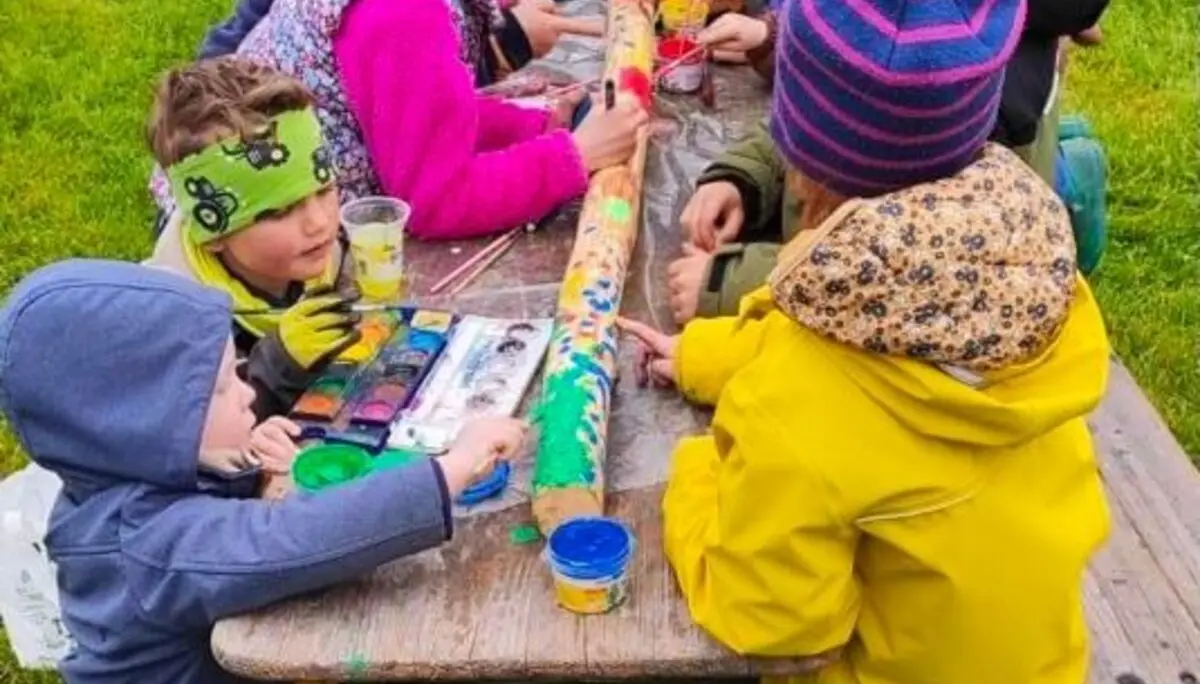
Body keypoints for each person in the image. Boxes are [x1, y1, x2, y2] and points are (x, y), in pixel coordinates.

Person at [619, 0, 1112, 681]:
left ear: (797, 148)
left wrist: (698, 476)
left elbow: (770, 620)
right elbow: (828, 351)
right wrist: (704, 355)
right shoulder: (1031, 279)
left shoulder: (795, 405)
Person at [0, 259, 528, 684]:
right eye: (224, 387)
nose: (250, 391)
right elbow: (292, 541)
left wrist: (240, 462)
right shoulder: (145, 545)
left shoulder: (116, 473)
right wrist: (451, 468)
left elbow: (193, 505)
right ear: (144, 419)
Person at [674, 0, 1110, 322]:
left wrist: (729, 284)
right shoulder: (906, 103)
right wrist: (743, 177)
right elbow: (818, 112)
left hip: (1016, 133)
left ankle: (1071, 184)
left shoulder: (950, 244)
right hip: (995, 123)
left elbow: (878, 288)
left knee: (1043, 183)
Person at [150, 0, 646, 242]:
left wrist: (533, 126)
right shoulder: (402, 11)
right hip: (247, 239)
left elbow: (427, 111)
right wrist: (574, 156)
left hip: (255, 216)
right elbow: (435, 202)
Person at [145, 59, 368, 420]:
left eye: (324, 188)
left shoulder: (312, 248)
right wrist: (276, 366)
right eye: (278, 212)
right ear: (214, 233)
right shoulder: (179, 324)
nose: (319, 222)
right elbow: (196, 443)